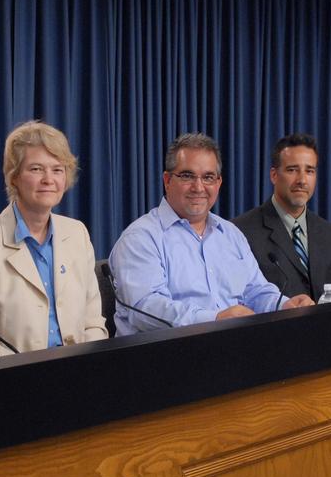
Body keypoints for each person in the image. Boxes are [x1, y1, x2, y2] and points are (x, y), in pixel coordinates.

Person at [108, 132, 313, 336]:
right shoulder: (140, 238)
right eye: (187, 176)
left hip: (231, 350)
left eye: (208, 177)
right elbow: (146, 309)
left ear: (219, 183)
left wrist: (285, 305)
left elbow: (255, 291)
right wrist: (215, 320)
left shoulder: (231, 234)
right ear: (167, 180)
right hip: (163, 357)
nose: (198, 187)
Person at [0, 121, 108, 353]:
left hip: (81, 369)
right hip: (17, 376)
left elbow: (93, 321)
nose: (48, 179)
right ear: (14, 176)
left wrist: (85, 362)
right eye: (36, 169)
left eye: (57, 169)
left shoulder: (77, 233)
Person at [232, 133, 331, 301]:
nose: (302, 180)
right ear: (274, 175)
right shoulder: (242, 231)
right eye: (292, 170)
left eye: (309, 171)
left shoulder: (329, 232)